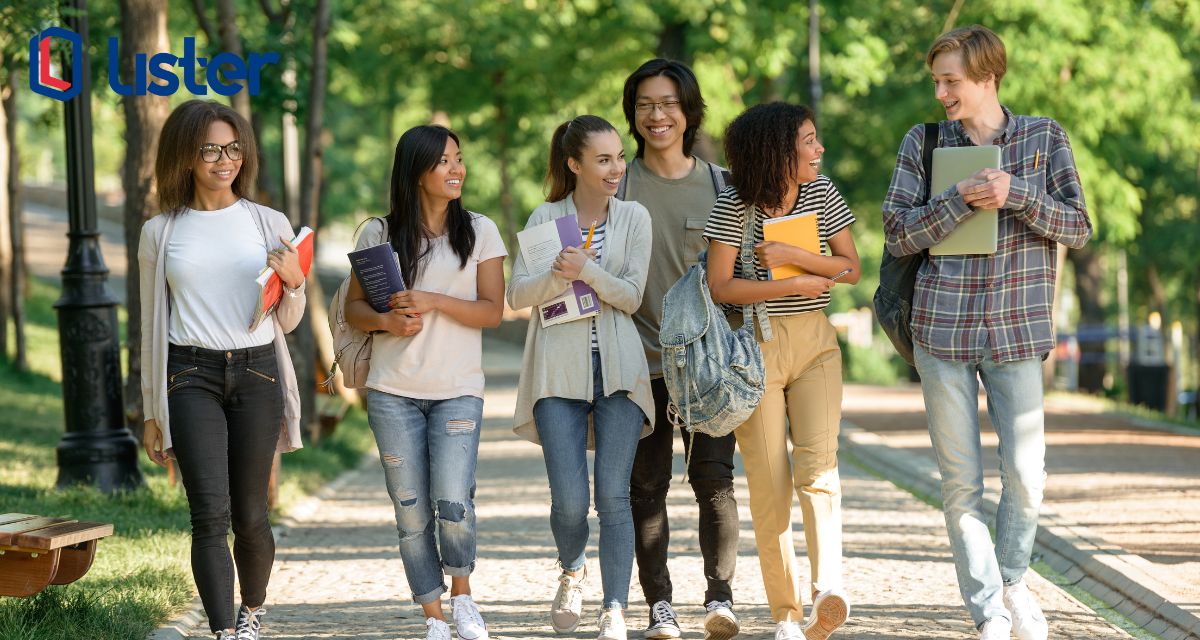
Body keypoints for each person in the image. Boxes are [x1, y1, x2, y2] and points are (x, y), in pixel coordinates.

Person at [882, 25, 1091, 640]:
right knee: (960, 484)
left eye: (951, 81)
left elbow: (1078, 226)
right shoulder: (922, 144)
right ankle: (990, 613)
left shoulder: (1043, 136)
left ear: (986, 77)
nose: (942, 93)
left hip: (1017, 332)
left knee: (1027, 475)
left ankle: (1015, 580)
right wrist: (957, 201)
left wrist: (1017, 193)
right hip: (941, 331)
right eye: (937, 82)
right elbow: (895, 233)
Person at [139, 100, 306, 640]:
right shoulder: (160, 232)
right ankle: (221, 632)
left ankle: (251, 610)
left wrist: (296, 282)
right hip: (189, 375)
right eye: (210, 148)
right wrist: (151, 412)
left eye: (233, 148)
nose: (224, 159)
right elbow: (149, 326)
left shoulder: (268, 223)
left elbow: (289, 317)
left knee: (251, 513)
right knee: (208, 514)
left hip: (257, 372)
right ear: (186, 155)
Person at [343, 125, 506, 640]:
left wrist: (432, 301)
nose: (456, 169)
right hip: (393, 393)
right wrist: (387, 322)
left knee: (454, 500)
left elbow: (492, 312)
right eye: (443, 161)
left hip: (458, 388)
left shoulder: (480, 231)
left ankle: (463, 600)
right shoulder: (378, 234)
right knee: (410, 509)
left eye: (459, 158)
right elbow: (353, 310)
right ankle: (432, 616)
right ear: (416, 172)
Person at [704, 102, 859, 640]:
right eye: (809, 142)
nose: (819, 150)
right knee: (770, 483)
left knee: (820, 468)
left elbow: (850, 269)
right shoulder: (733, 206)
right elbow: (721, 286)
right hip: (755, 350)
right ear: (777, 151)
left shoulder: (822, 194)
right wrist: (786, 284)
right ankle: (786, 614)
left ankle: (827, 589)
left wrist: (800, 259)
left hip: (816, 342)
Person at [507, 115, 653, 640]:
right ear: (575, 165)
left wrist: (587, 269)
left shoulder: (635, 217)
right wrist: (556, 274)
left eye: (619, 157)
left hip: (619, 371)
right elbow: (517, 295)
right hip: (556, 373)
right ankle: (572, 569)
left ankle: (614, 607)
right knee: (569, 501)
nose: (617, 168)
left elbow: (632, 296)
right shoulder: (546, 216)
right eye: (604, 159)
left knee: (613, 495)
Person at [618, 58, 740, 640]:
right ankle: (659, 604)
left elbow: (741, 273)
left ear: (688, 111)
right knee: (646, 487)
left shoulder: (722, 186)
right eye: (644, 105)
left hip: (707, 368)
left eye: (668, 103)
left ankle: (721, 599)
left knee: (714, 480)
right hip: (637, 365)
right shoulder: (615, 185)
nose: (656, 115)